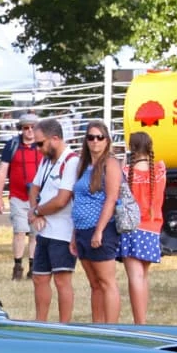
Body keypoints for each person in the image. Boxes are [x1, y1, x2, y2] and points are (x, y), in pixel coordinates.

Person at [69, 121, 122, 323]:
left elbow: (111, 198)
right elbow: (78, 199)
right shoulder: (83, 165)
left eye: (99, 137)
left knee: (107, 282)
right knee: (94, 283)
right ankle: (98, 326)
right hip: (82, 229)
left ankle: (112, 328)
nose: (95, 141)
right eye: (90, 137)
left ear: (107, 140)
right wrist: (74, 234)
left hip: (101, 229)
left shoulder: (110, 164)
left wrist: (99, 231)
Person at [27, 118, 79, 323]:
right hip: (45, 231)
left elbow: (61, 200)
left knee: (62, 281)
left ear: (55, 138)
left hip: (63, 232)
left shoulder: (71, 161)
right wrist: (33, 211)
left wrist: (38, 211)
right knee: (39, 278)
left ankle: (64, 326)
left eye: (40, 143)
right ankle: (40, 324)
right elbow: (34, 187)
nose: (37, 148)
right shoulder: (47, 160)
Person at [119, 131, 166, 324]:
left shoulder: (126, 172)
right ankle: (143, 318)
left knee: (134, 276)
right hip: (153, 227)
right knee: (143, 276)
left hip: (132, 227)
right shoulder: (160, 170)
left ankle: (139, 322)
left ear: (132, 147)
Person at [0, 112, 42, 280]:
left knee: (35, 234)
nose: (29, 131)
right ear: (21, 129)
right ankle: (17, 266)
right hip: (17, 196)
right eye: (26, 128)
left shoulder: (43, 145)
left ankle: (33, 267)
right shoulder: (11, 145)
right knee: (19, 231)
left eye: (33, 127)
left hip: (38, 198)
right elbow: (2, 172)